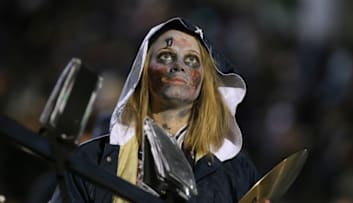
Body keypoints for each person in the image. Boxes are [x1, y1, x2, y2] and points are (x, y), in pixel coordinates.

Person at [50, 17, 269, 203]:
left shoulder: (238, 173)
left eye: (192, 60)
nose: (179, 65)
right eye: (166, 56)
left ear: (206, 82)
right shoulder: (91, 160)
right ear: (142, 75)